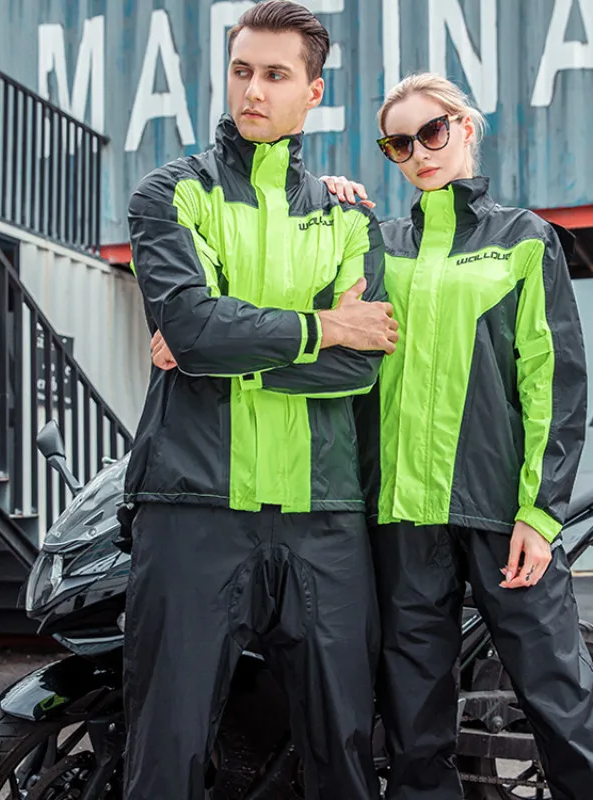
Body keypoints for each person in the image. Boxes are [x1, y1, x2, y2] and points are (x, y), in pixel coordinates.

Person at [320, 74, 593, 800]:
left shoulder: (523, 238)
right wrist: (317, 203)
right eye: (398, 144)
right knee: (413, 717)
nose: (418, 153)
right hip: (401, 516)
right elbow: (324, 321)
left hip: (499, 511)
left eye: (431, 132)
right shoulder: (377, 245)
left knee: (557, 693)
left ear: (463, 126)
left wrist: (540, 514)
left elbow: (553, 382)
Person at [123, 3, 398, 798]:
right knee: (166, 754)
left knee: (344, 754)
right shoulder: (171, 193)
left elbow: (360, 367)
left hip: (324, 518)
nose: (253, 90)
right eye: (242, 70)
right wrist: (323, 326)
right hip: (194, 507)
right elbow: (192, 328)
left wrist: (223, 350)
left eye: (275, 75)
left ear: (312, 92)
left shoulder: (348, 216)